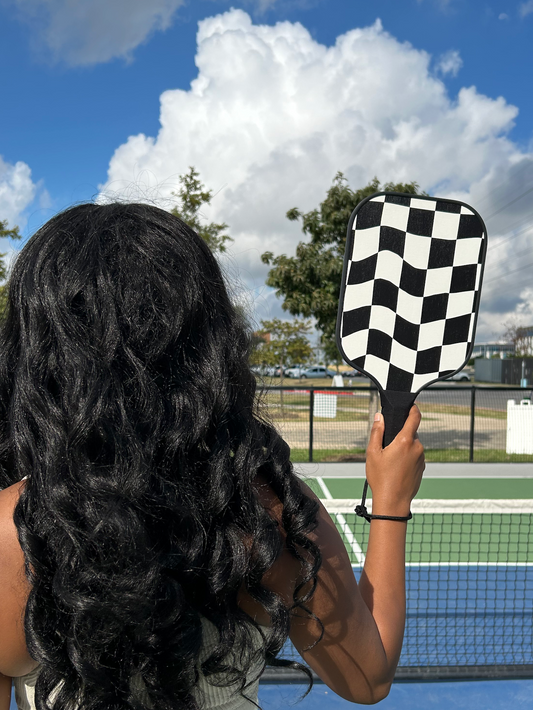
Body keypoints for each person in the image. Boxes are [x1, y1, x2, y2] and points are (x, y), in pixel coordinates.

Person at [0, 203, 425, 710]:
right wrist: (391, 500)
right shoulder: (266, 513)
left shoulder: (12, 532)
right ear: (209, 342)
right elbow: (368, 680)